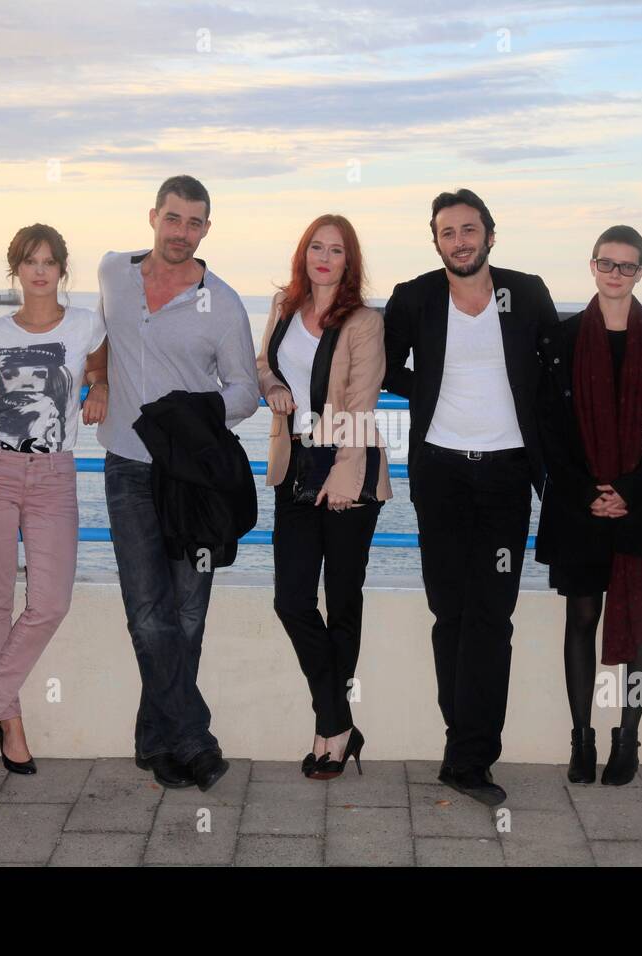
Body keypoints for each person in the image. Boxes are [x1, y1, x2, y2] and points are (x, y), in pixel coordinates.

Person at [382, 188, 558, 806]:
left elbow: (556, 367)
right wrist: (428, 385)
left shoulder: (526, 292)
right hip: (441, 473)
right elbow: (380, 363)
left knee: (493, 617)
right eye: (447, 232)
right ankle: (463, 746)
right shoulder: (416, 297)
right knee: (449, 613)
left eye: (469, 229)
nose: (460, 240)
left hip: (508, 476)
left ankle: (471, 757)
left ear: (489, 233)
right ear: (436, 240)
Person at [96, 175, 259, 792]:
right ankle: (193, 737)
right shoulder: (114, 272)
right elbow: (97, 334)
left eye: (194, 223)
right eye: (172, 219)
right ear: (152, 217)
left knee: (187, 616)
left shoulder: (224, 303)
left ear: (206, 229)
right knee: (147, 614)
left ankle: (155, 742)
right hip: (129, 471)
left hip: (194, 480)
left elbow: (243, 386)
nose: (181, 233)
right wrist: (101, 379)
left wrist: (192, 417)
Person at [534, 225, 642, 787]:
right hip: (578, 501)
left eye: (627, 266)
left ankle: (629, 739)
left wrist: (630, 489)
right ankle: (582, 737)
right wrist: (586, 492)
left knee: (639, 620)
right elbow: (550, 429)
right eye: (607, 263)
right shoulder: (560, 339)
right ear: (593, 265)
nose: (616, 273)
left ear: (641, 272)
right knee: (581, 616)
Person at [0, 224, 108, 774]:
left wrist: (102, 386)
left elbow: (100, 364)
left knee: (49, 603)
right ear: (16, 270)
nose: (39, 270)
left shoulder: (87, 324)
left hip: (53, 476)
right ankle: (9, 723)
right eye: (29, 261)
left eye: (49, 261)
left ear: (63, 269)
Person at [257, 214, 391, 780]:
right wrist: (274, 388)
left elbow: (362, 402)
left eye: (336, 250)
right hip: (294, 468)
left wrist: (344, 473)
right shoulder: (284, 309)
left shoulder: (363, 321)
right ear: (303, 252)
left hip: (347, 471)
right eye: (316, 246)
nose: (324, 257)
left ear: (348, 261)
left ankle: (328, 733)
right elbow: (263, 362)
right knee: (291, 599)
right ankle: (339, 718)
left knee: (342, 600)